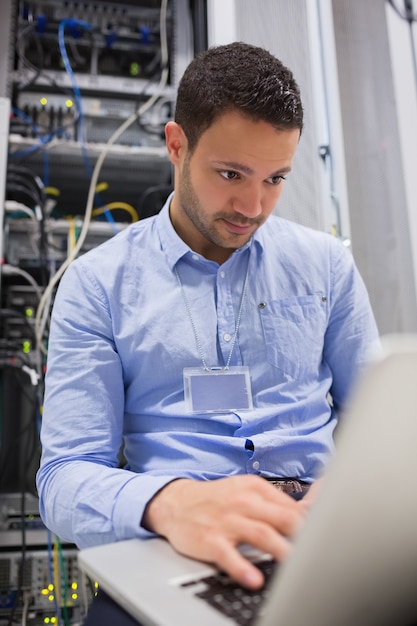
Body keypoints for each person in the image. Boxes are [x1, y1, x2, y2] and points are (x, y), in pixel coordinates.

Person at [36, 41, 379, 621]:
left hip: (314, 535)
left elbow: (379, 422)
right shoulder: (98, 284)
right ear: (176, 145)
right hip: (176, 542)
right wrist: (167, 504)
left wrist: (351, 491)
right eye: (230, 174)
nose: (254, 205)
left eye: (275, 178)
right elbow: (63, 477)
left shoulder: (326, 266)